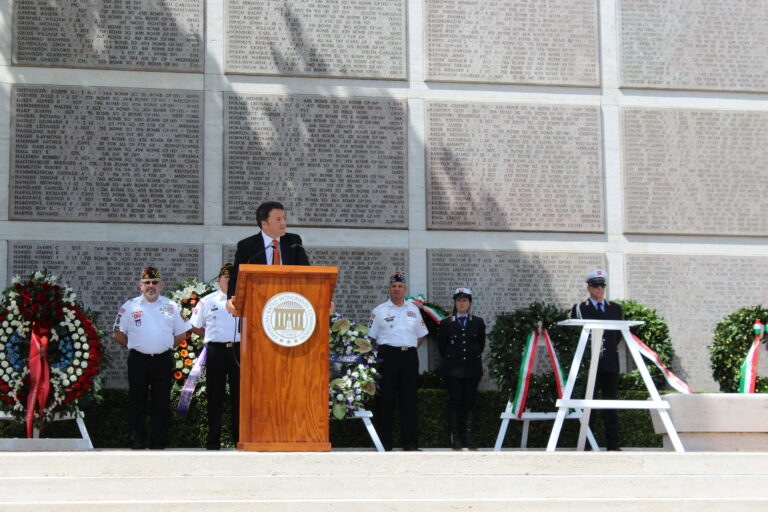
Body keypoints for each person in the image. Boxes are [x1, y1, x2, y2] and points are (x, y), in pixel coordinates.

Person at [113, 267, 189, 449]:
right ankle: (136, 440)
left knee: (161, 402)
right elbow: (117, 333)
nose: (151, 286)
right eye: (147, 283)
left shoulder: (171, 306)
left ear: (161, 285)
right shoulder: (129, 306)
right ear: (140, 286)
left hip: (162, 360)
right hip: (138, 360)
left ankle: (158, 441)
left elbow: (182, 334)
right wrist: (136, 345)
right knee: (137, 400)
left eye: (155, 282)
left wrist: (166, 345)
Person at [368, 272, 428, 451]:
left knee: (409, 401)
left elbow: (420, 336)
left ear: (405, 289)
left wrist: (405, 349)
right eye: (393, 286)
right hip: (387, 357)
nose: (396, 289)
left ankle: (410, 443)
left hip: (408, 357)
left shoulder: (413, 310)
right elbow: (371, 338)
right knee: (385, 401)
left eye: (400, 286)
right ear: (389, 289)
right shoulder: (379, 311)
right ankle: (384, 443)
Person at [226, 201, 310, 316]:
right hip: (256, 308)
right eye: (278, 219)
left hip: (288, 307)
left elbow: (308, 274)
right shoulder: (247, 245)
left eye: (284, 218)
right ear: (264, 223)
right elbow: (236, 277)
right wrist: (230, 299)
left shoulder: (294, 242)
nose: (283, 223)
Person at [571, 269, 623, 451]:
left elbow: (618, 335)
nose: (600, 289)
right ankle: (587, 444)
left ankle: (613, 444)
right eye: (596, 285)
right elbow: (576, 335)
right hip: (589, 363)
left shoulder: (615, 309)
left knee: (611, 405)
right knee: (588, 405)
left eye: (602, 285)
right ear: (588, 288)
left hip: (610, 362)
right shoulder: (581, 308)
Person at [190, 264, 240, 450]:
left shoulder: (246, 299)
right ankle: (213, 440)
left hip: (238, 350)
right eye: (226, 278)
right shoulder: (207, 301)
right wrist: (210, 336)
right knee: (214, 395)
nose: (229, 281)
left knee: (239, 396)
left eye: (232, 278)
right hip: (216, 350)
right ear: (219, 280)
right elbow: (194, 325)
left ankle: (239, 440)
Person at [437, 288, 486, 450]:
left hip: (472, 369)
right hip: (453, 370)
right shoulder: (446, 323)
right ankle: (456, 439)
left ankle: (470, 438)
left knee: (470, 403)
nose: (462, 303)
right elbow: (442, 347)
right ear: (455, 303)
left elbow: (480, 345)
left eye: (465, 300)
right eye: (459, 300)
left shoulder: (478, 322)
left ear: (470, 303)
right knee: (455, 403)